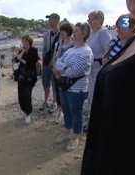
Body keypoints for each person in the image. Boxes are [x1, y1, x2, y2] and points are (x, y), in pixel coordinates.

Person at [81, 0, 135, 174]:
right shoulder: (126, 41)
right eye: (89, 17)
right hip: (102, 73)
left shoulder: (105, 33)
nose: (89, 20)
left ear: (99, 19)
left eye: (92, 17)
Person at [54, 22, 93, 151]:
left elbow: (76, 71)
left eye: (76, 31)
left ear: (84, 34)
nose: (74, 33)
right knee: (66, 111)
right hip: (65, 85)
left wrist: (62, 69)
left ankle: (75, 137)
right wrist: (63, 67)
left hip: (77, 88)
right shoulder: (70, 49)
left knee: (76, 112)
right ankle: (67, 133)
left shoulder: (87, 52)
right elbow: (59, 61)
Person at [52, 23, 74, 124]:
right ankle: (60, 112)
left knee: (68, 93)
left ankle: (68, 115)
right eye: (61, 31)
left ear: (69, 32)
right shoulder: (58, 43)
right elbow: (54, 57)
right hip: (57, 72)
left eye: (64, 31)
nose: (61, 33)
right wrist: (54, 69)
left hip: (67, 73)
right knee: (58, 92)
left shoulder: (73, 44)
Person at [15, 35, 40, 124]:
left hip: (30, 77)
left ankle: (28, 113)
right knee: (20, 96)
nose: (24, 43)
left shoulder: (34, 51)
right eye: (23, 41)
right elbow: (16, 60)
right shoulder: (22, 50)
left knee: (27, 95)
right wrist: (21, 53)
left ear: (29, 41)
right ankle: (24, 111)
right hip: (21, 77)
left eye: (25, 41)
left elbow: (29, 63)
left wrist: (20, 58)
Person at [40, 13, 60, 113]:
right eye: (49, 19)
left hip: (56, 64)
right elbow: (44, 49)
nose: (49, 21)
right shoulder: (47, 34)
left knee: (55, 84)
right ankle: (46, 101)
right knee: (46, 83)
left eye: (51, 19)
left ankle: (54, 103)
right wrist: (43, 62)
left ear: (57, 20)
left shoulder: (61, 34)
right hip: (47, 63)